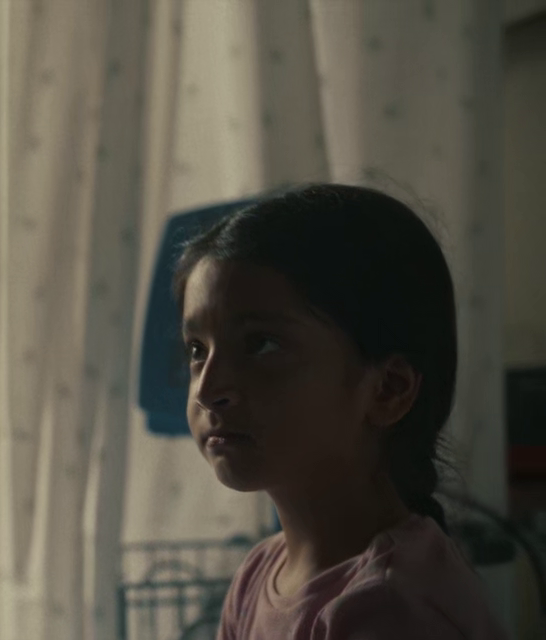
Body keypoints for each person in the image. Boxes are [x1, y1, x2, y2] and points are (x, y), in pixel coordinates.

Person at [175, 184, 507, 639]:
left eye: (261, 344)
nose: (209, 389)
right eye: (197, 349)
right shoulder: (256, 574)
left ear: (387, 390)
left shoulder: (390, 609)